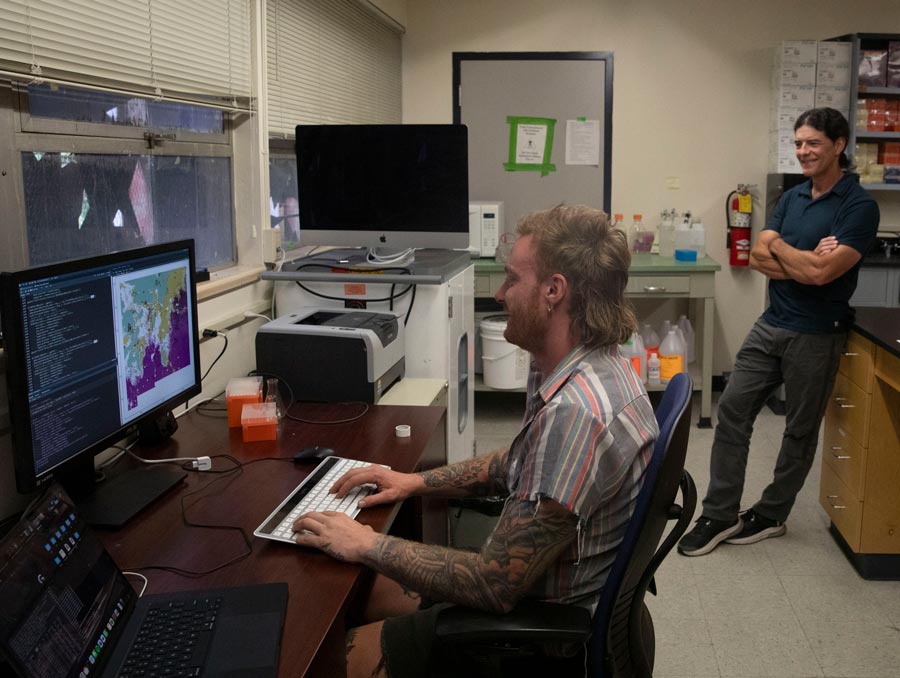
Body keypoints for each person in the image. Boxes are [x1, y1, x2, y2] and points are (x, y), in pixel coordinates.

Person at [292, 204, 659, 677]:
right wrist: (414, 482)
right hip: (541, 586)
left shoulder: (577, 413)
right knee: (365, 588)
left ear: (553, 291)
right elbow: (520, 461)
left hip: (543, 634)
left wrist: (367, 543)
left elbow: (496, 584)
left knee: (329, 657)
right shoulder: (585, 365)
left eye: (512, 279)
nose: (502, 292)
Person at [678, 108, 880, 557]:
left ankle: (771, 513)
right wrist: (804, 257)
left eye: (813, 143)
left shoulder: (858, 207)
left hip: (817, 333)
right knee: (732, 410)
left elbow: (824, 274)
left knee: (799, 429)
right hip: (771, 324)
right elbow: (755, 258)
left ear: (839, 145)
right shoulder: (791, 198)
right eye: (798, 143)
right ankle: (719, 512)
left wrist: (783, 249)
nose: (803, 151)